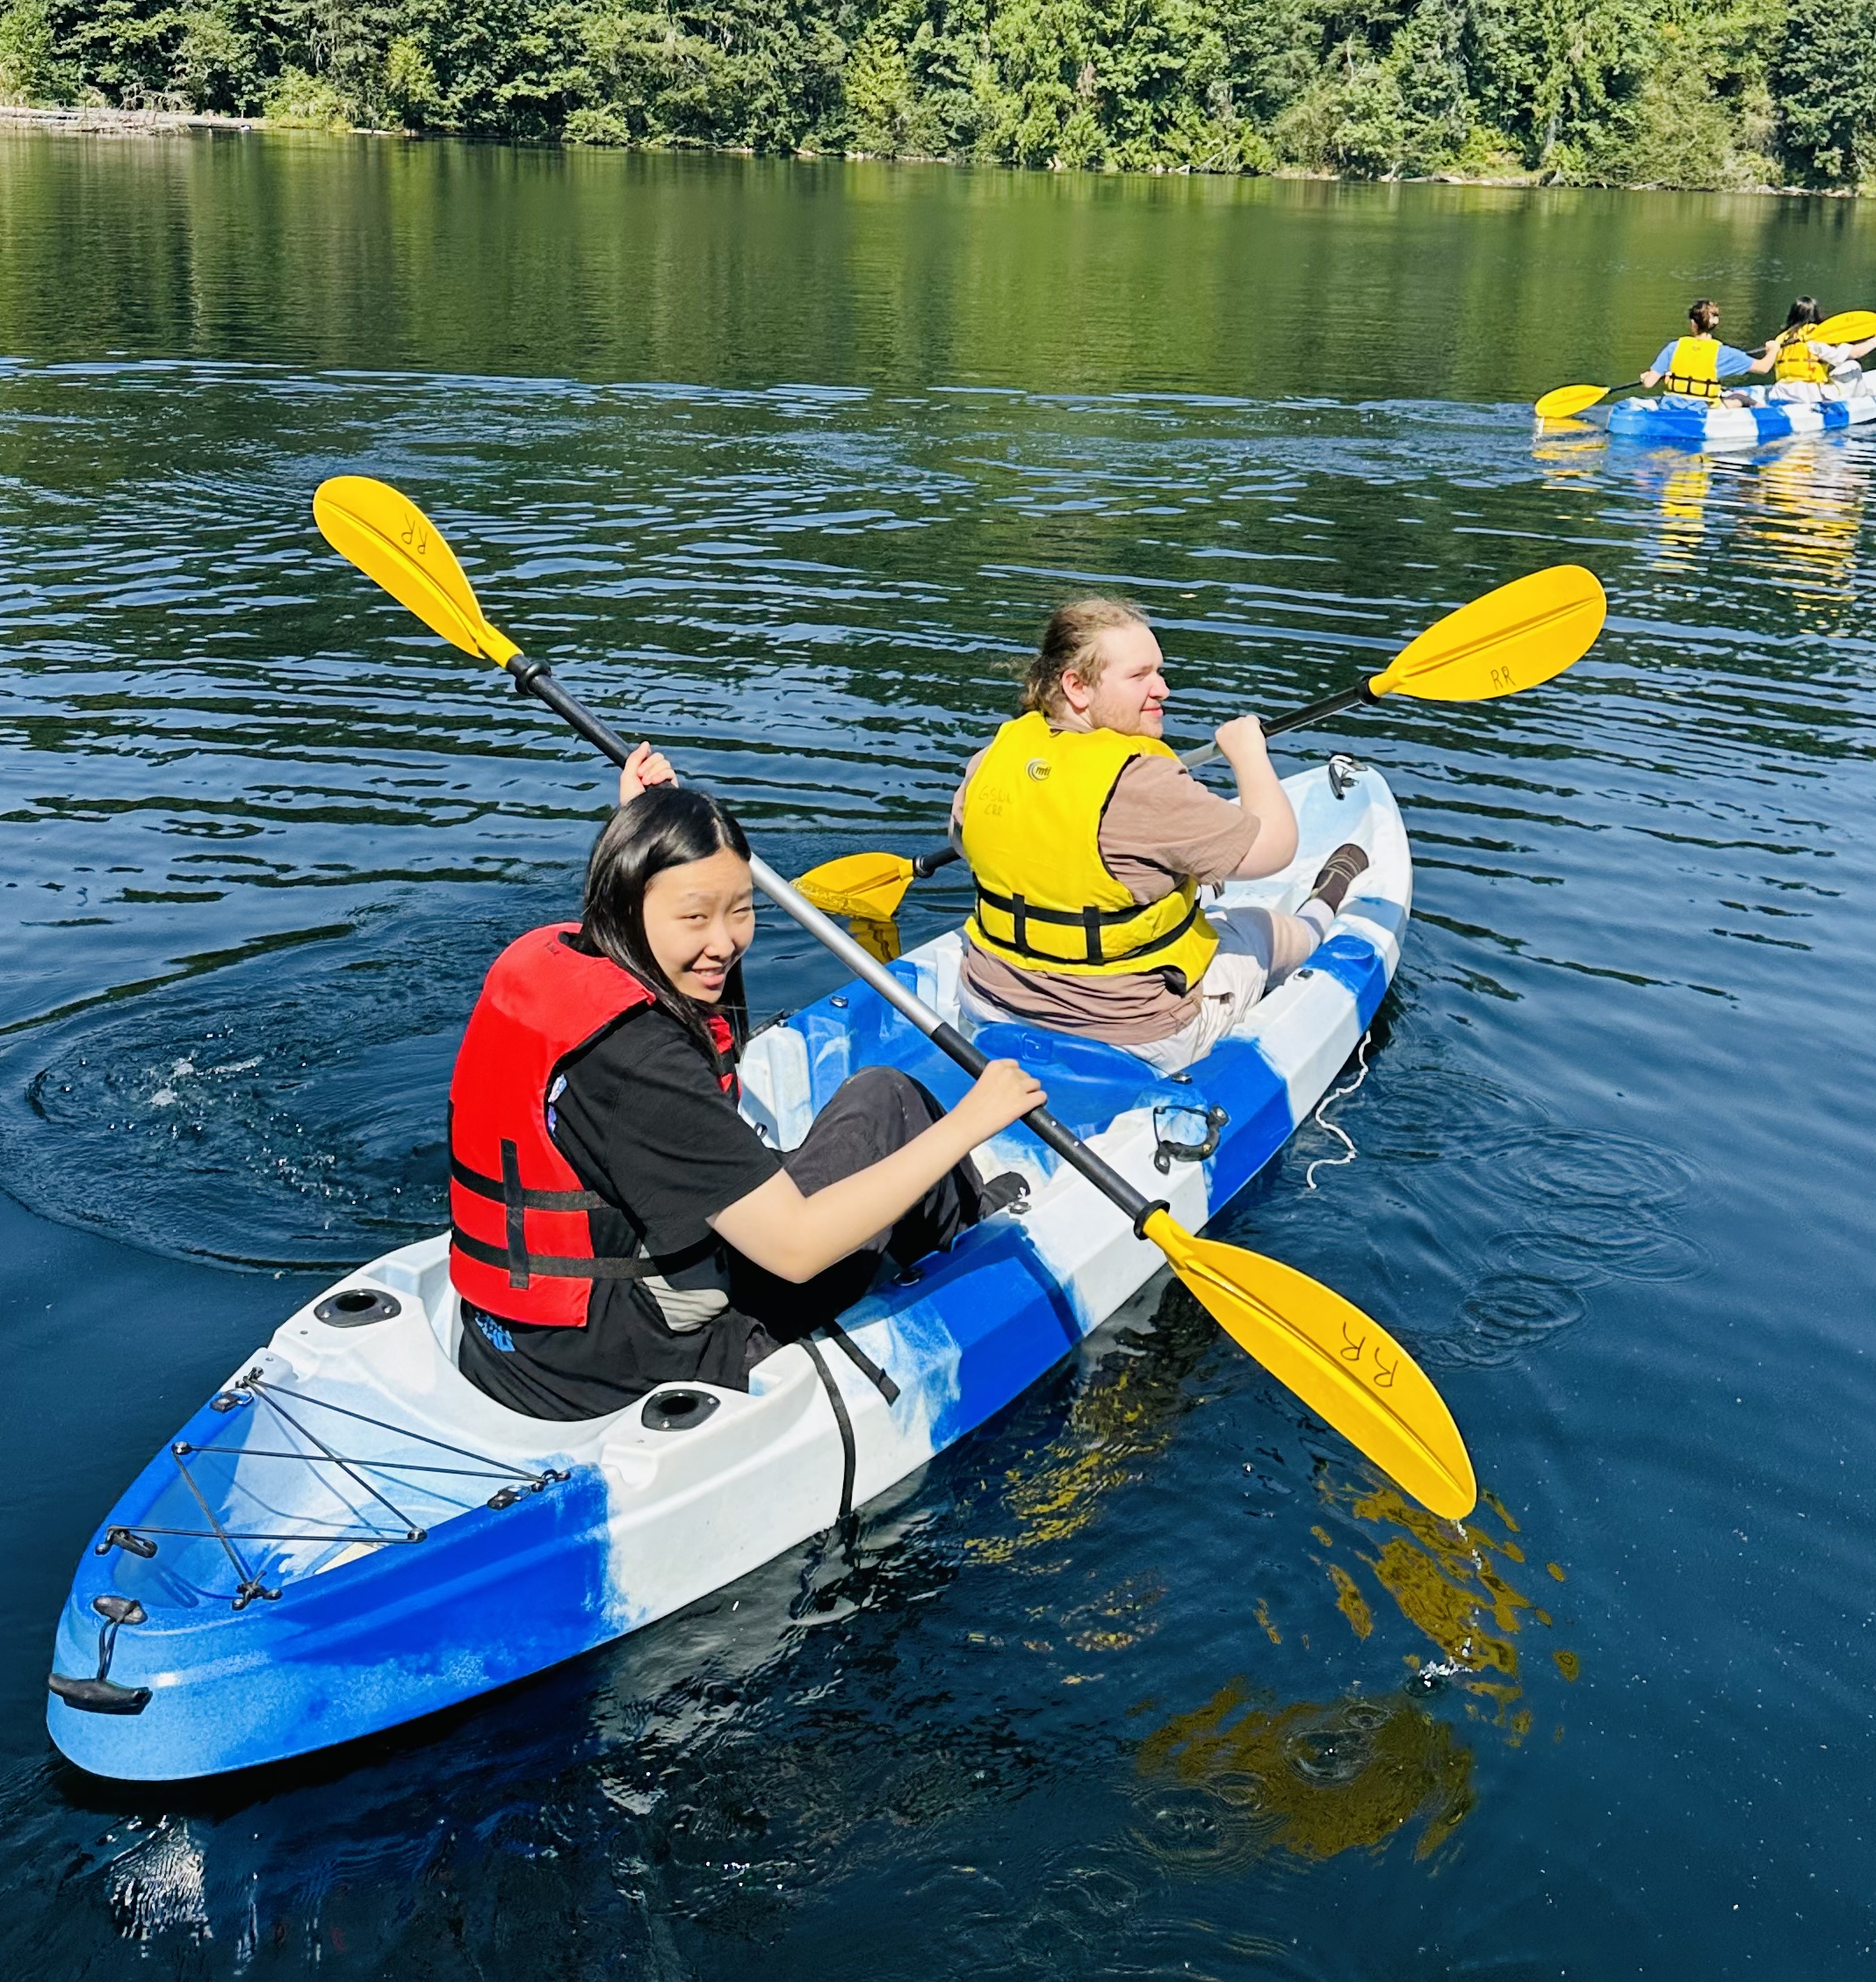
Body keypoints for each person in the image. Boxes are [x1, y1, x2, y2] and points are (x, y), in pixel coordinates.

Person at [451, 757, 1044, 1424]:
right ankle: (972, 1237)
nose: (725, 942)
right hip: (634, 1361)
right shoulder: (645, 1067)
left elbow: (650, 951)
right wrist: (969, 1122)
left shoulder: (547, 959)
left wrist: (639, 825)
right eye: (695, 916)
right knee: (893, 1106)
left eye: (741, 910)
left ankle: (951, 1212)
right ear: (625, 901)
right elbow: (796, 1250)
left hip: (513, 1343)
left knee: (874, 1103)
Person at [953, 597, 1370, 1078]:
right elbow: (1276, 848)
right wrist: (1248, 752)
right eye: (1140, 676)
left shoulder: (993, 759)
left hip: (988, 1002)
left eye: (1160, 672)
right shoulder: (1143, 782)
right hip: (1135, 1033)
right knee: (1262, 927)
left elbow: (968, 844)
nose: (1163, 689)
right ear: (1077, 686)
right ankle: (1324, 909)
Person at [1641, 298, 1748, 401]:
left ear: (1693, 323)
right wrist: (1766, 352)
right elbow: (1763, 367)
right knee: (1743, 398)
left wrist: (1646, 377)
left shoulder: (1674, 347)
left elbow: (1649, 383)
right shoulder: (1722, 352)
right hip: (1704, 406)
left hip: (1673, 404)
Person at [1750, 296, 1865, 390]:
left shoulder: (1781, 338)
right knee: (1852, 365)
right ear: (1816, 313)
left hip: (1781, 390)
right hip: (1810, 393)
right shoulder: (1819, 336)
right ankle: (1863, 400)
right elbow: (1855, 353)